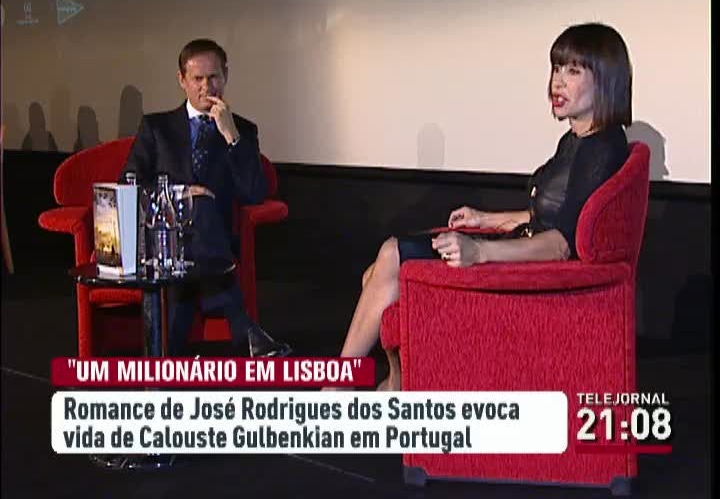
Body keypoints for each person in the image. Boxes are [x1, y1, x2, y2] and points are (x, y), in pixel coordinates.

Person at [336, 22, 632, 390]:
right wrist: (484, 219)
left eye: (573, 71)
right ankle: (398, 382)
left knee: (392, 254)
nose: (557, 82)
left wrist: (479, 251)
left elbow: (561, 243)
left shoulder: (600, 150)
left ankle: (337, 389)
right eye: (556, 68)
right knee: (375, 275)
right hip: (524, 247)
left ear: (606, 79)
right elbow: (549, 217)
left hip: (535, 268)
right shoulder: (576, 140)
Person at [121, 38, 291, 358]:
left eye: (213, 77)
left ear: (225, 76)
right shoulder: (157, 127)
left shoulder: (243, 130)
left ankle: (167, 357)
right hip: (164, 237)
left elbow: (254, 192)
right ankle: (244, 330)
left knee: (202, 214)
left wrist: (231, 136)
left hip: (216, 238)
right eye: (197, 78)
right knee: (197, 204)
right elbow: (129, 184)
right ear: (181, 80)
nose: (206, 87)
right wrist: (181, 195)